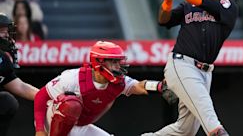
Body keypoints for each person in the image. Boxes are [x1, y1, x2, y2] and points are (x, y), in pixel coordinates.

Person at [142, 0, 242, 136]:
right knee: (211, 122)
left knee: (185, 130)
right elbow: (164, 20)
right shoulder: (189, 6)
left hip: (205, 72)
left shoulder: (229, 7)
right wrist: (167, 2)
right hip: (182, 64)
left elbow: (202, 0)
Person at [34, 41, 177, 136]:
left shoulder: (118, 82)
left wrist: (159, 86)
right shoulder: (73, 78)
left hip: (80, 126)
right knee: (71, 104)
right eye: (113, 62)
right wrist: (39, 130)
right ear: (99, 62)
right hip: (53, 122)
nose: (118, 66)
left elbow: (138, 86)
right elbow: (41, 97)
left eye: (118, 62)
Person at [0, 13, 38, 135]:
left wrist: (49, 95)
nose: (6, 36)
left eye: (7, 31)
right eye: (2, 31)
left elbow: (20, 87)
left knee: (7, 101)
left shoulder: (2, 59)